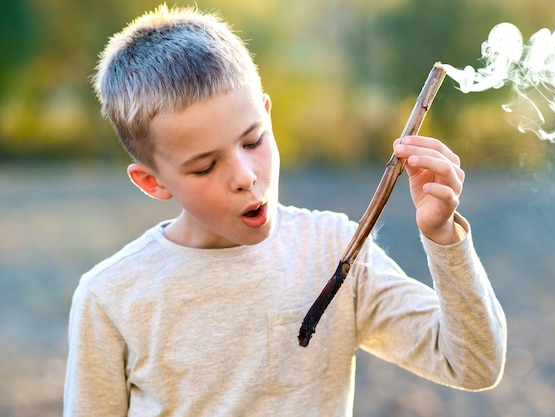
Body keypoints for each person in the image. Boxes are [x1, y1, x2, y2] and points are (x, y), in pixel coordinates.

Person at [64, 4, 506, 416]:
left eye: (254, 140)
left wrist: (443, 236)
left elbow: (472, 364)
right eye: (204, 167)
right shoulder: (111, 296)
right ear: (152, 181)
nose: (245, 176)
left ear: (267, 115)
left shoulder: (333, 248)